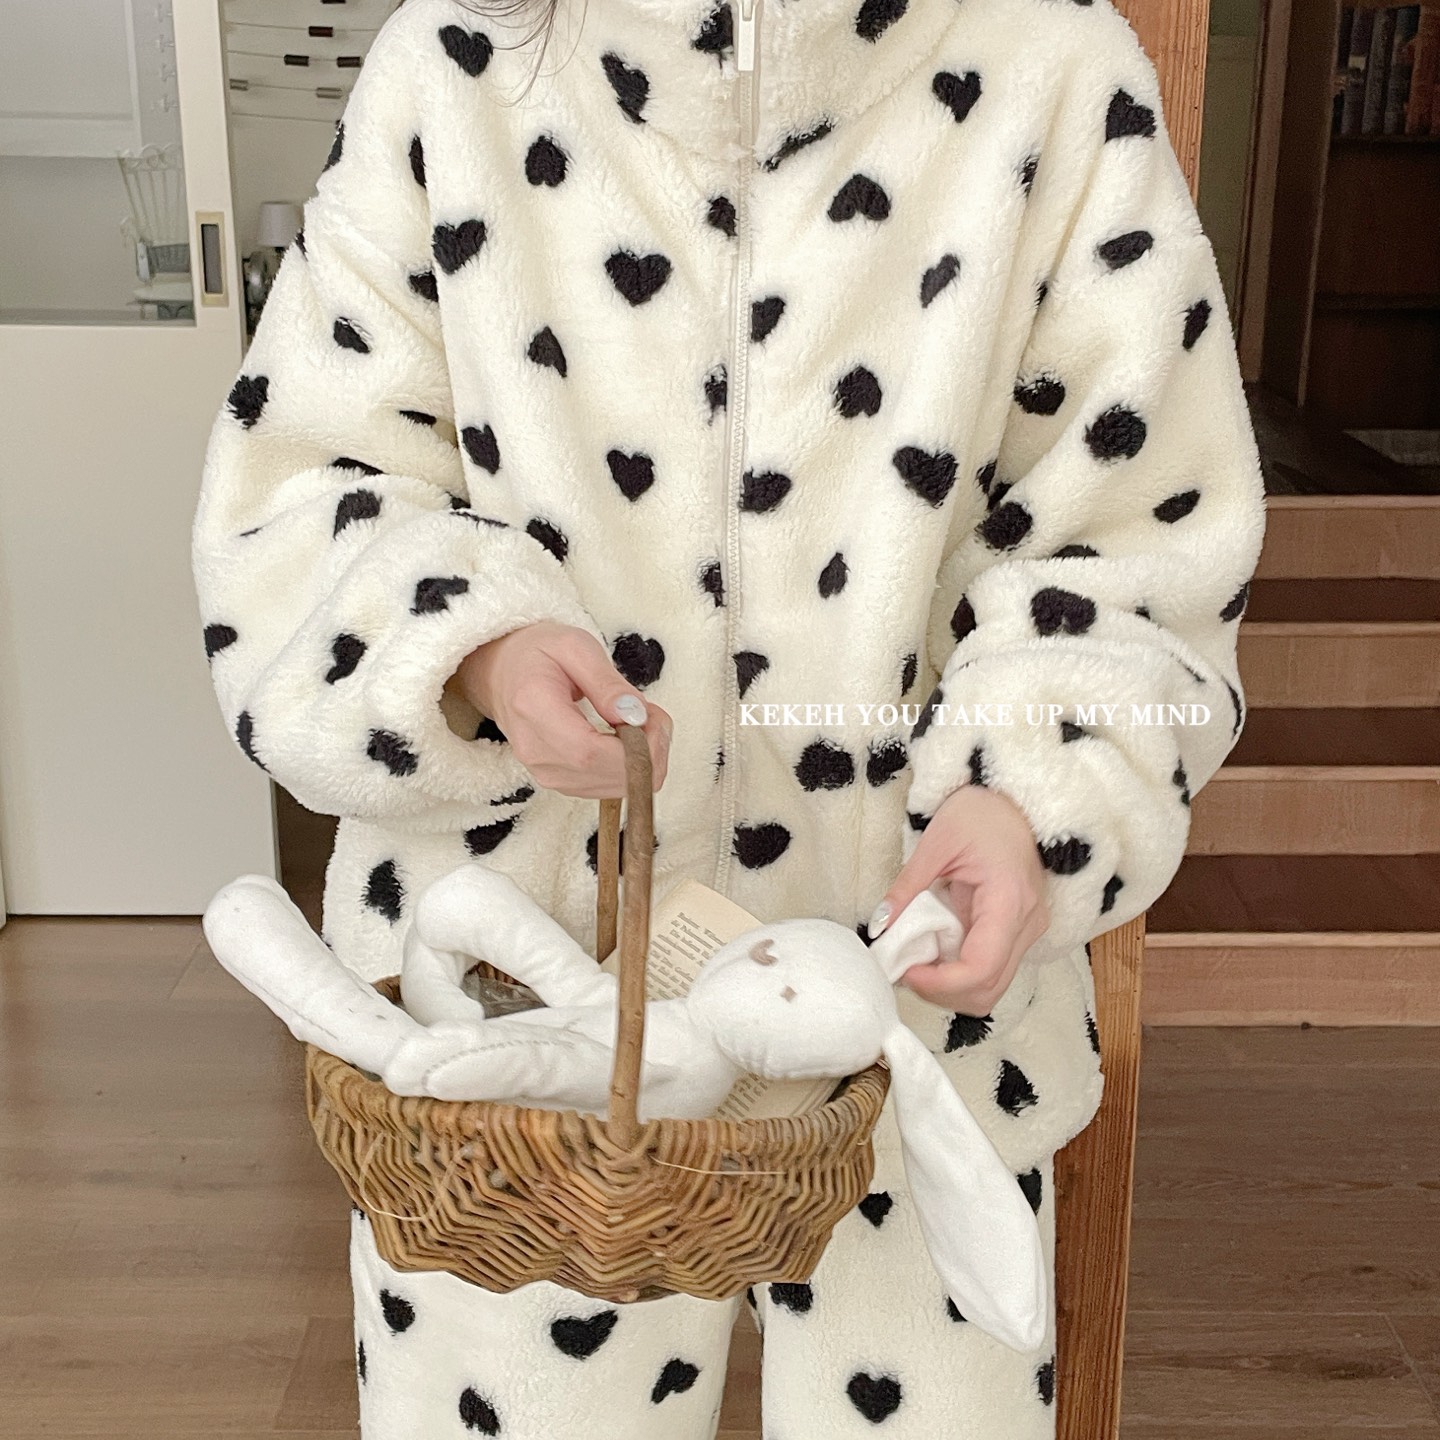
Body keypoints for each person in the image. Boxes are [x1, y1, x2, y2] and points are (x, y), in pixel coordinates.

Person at [192, 0, 1265, 1430]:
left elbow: (1140, 533)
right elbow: (298, 498)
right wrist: (475, 655)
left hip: (913, 1006)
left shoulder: (1051, 73)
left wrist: (1032, 798)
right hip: (519, 1025)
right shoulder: (452, 71)